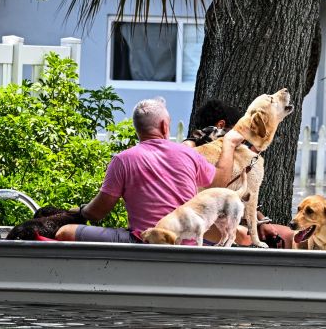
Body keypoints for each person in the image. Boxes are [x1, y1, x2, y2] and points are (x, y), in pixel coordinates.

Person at [56, 97, 242, 243]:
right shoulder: (187, 154)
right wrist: (229, 144)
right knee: (240, 235)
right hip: (187, 241)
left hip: (144, 241)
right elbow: (220, 182)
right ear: (164, 126)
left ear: (137, 128)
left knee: (64, 232)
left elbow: (97, 213)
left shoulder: (122, 160)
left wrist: (79, 211)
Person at [182, 99, 296, 249]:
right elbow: (217, 188)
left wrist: (261, 220)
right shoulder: (192, 149)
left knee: (288, 235)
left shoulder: (229, 152)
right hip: (199, 219)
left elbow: (241, 195)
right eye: (234, 130)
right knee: (242, 236)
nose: (240, 138)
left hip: (226, 216)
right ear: (221, 126)